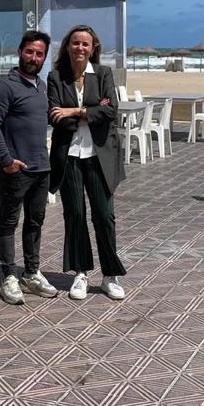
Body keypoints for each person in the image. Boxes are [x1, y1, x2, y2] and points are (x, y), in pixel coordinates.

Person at [47, 25, 127, 300]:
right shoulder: (56, 77)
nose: (80, 48)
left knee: (104, 216)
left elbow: (110, 110)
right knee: (76, 215)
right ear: (67, 46)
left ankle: (109, 276)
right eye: (76, 43)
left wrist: (74, 110)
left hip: (100, 155)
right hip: (69, 156)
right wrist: (89, 112)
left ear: (93, 49)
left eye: (86, 44)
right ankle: (80, 273)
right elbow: (54, 116)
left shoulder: (103, 74)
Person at [0, 30, 59, 305]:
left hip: (40, 168)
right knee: (9, 222)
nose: (34, 57)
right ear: (19, 51)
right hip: (15, 169)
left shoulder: (41, 87)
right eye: (29, 51)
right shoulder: (4, 87)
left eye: (39, 54)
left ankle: (31, 273)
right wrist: (6, 160)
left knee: (35, 223)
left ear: (44, 57)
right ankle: (8, 277)